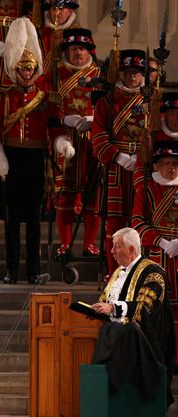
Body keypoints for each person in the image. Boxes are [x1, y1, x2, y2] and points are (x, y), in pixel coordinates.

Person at [0, 17, 60, 284]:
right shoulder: (2, 99)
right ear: (14, 70)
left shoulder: (46, 99)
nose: (26, 73)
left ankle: (34, 270)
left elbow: (55, 128)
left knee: (34, 219)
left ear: (37, 69)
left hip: (35, 160)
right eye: (22, 68)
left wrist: (63, 144)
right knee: (12, 219)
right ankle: (12, 269)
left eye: (30, 69)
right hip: (11, 159)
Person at [89, 227, 175, 408]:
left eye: (117, 246)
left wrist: (112, 308)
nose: (111, 252)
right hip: (114, 343)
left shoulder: (153, 273)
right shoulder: (117, 274)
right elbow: (104, 302)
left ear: (132, 249)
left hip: (142, 349)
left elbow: (144, 308)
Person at [91, 49, 146, 275]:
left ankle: (137, 273)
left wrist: (142, 159)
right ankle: (114, 272)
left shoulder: (151, 102)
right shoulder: (107, 102)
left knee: (140, 222)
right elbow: (98, 135)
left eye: (137, 72)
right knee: (114, 225)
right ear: (120, 73)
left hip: (143, 169)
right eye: (128, 72)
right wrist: (118, 156)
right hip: (116, 168)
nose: (132, 77)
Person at [52, 28, 101, 257]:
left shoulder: (101, 74)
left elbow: (108, 108)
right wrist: (63, 118)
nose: (78, 53)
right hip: (65, 140)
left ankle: (89, 243)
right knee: (66, 193)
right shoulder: (55, 74)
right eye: (73, 49)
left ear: (89, 49)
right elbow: (48, 106)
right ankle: (64, 243)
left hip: (93, 142)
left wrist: (94, 120)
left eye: (82, 48)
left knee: (92, 194)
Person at [131, 141, 178, 327]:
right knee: (155, 308)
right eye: (167, 163)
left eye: (175, 163)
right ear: (156, 166)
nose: (172, 168)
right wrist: (162, 242)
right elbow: (137, 223)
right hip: (156, 256)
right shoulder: (146, 190)